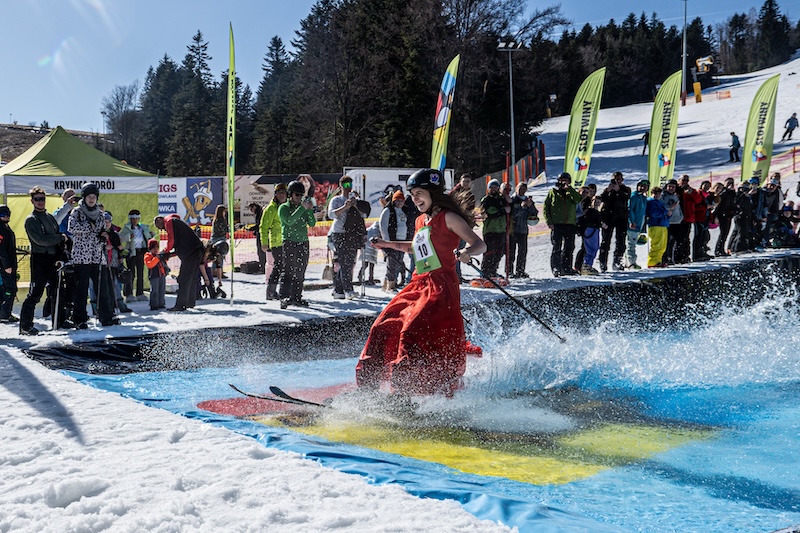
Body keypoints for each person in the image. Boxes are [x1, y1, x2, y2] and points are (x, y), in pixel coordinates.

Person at [355, 168, 486, 396]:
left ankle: (406, 392)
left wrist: (467, 252)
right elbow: (414, 248)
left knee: (411, 330)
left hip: (440, 287)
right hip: (418, 284)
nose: (414, 199)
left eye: (419, 193)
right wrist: (386, 244)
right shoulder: (419, 220)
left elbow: (479, 244)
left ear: (433, 192)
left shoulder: (449, 217)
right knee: (383, 324)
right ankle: (369, 389)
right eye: (412, 194)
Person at [19, 187, 70, 335]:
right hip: (39, 259)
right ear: (32, 201)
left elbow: (55, 234)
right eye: (37, 199)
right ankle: (25, 325)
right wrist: (60, 237)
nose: (40, 202)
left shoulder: (49, 217)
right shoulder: (31, 219)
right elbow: (41, 240)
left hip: (53, 259)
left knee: (57, 291)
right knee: (35, 293)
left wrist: (61, 241)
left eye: (42, 198)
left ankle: (58, 321)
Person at [68, 183, 117, 329]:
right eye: (89, 196)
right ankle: (79, 318)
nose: (91, 199)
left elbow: (102, 230)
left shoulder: (100, 214)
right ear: (84, 197)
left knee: (102, 287)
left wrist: (103, 236)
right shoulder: (77, 212)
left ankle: (106, 316)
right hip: (81, 256)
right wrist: (90, 228)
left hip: (96, 255)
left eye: (94, 197)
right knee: (81, 289)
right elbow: (72, 228)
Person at [153, 213, 204, 311]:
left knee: (183, 279)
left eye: (159, 226)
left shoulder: (169, 222)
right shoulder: (176, 222)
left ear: (160, 220)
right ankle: (190, 302)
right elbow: (179, 246)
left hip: (191, 253)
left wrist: (165, 251)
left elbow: (171, 240)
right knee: (191, 278)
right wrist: (168, 253)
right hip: (197, 250)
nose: (161, 230)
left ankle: (180, 305)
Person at [278, 180, 316, 309]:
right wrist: (302, 209)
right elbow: (289, 221)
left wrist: (310, 210)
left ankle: (296, 296)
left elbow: (311, 223)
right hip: (289, 242)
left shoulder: (302, 208)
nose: (299, 198)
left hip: (303, 242)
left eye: (301, 195)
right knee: (288, 270)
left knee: (300, 270)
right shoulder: (283, 208)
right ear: (290, 195)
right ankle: (284, 297)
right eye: (297, 195)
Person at [328, 176, 366, 300]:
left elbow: (363, 215)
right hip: (339, 233)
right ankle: (348, 289)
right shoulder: (336, 200)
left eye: (349, 184)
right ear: (340, 187)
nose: (347, 187)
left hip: (352, 233)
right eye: (345, 185)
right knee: (345, 262)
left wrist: (355, 206)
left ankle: (338, 290)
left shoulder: (355, 199)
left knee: (350, 261)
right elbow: (331, 214)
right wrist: (345, 207)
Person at [543, 172, 582, 277]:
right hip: (557, 224)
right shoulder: (553, 192)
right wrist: (549, 221)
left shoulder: (571, 192)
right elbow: (546, 208)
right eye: (562, 180)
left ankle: (567, 267)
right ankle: (556, 267)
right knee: (557, 246)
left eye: (566, 180)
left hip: (570, 224)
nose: (564, 182)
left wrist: (570, 189)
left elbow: (578, 199)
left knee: (569, 247)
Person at [119, 209, 154, 303]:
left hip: (141, 252)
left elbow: (148, 238)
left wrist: (151, 235)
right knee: (131, 274)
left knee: (140, 273)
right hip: (131, 253)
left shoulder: (143, 227)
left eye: (136, 219)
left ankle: (140, 293)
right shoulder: (127, 228)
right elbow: (120, 238)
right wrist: (128, 237)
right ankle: (129, 294)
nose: (135, 221)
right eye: (133, 219)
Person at [598, 172, 631, 272]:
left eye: (618, 180)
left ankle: (618, 260)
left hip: (621, 218)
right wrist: (608, 190)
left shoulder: (626, 189)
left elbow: (626, 197)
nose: (616, 181)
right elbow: (600, 199)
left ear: (622, 180)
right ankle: (602, 261)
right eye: (614, 180)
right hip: (608, 218)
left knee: (620, 241)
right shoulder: (608, 190)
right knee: (605, 241)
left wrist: (618, 190)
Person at [379, 189, 410, 293]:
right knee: (392, 263)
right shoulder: (388, 210)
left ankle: (386, 283)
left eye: (402, 201)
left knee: (398, 262)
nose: (400, 203)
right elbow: (383, 227)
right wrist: (387, 242)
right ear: (393, 201)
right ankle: (391, 285)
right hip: (392, 241)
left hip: (402, 241)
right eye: (398, 201)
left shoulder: (403, 211)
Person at [260, 183, 287, 300]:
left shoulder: (287, 206)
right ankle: (270, 291)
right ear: (276, 194)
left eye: (284, 193)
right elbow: (263, 227)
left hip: (287, 241)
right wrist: (264, 242)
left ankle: (282, 291)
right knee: (278, 266)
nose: (282, 195)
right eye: (280, 193)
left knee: (284, 268)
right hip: (276, 243)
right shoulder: (271, 208)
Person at [479, 179, 509, 279]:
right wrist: (503, 211)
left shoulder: (501, 199)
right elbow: (489, 214)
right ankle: (485, 271)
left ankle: (493, 270)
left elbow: (510, 206)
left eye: (495, 187)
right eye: (491, 188)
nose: (493, 189)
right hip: (490, 229)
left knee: (499, 252)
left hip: (501, 229)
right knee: (489, 252)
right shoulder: (486, 200)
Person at [449, 173, 476, 283]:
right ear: (460, 181)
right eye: (464, 181)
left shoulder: (470, 195)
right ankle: (453, 275)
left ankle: (458, 275)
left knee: (461, 250)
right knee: (454, 250)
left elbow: (471, 211)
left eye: (467, 182)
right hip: (455, 224)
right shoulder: (454, 193)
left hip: (465, 225)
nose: (465, 183)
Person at [102, 212, 131, 314]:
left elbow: (119, 247)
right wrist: (104, 247)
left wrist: (120, 254)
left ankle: (119, 303)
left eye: (108, 222)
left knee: (115, 283)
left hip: (113, 262)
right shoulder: (99, 234)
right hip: (103, 262)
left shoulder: (114, 234)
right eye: (105, 222)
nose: (107, 224)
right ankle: (105, 305)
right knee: (104, 284)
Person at [509, 182, 538, 278]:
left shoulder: (528, 200)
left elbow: (534, 214)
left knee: (522, 252)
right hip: (512, 230)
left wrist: (530, 206)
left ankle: (520, 271)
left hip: (523, 230)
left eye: (524, 189)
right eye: (520, 188)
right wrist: (522, 207)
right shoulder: (512, 200)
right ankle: (509, 271)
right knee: (511, 252)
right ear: (516, 188)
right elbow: (511, 214)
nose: (522, 190)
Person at [0, 204, 18, 323]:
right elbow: (1, 249)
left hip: (9, 264)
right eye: (2, 214)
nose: (6, 216)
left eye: (7, 214)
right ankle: (5, 314)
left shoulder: (5, 227)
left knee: (9, 289)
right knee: (9, 289)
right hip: (4, 266)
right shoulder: (1, 228)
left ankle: (6, 313)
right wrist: (6, 265)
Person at [626, 180, 649, 269]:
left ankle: (629, 262)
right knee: (631, 244)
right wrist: (631, 221)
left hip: (639, 224)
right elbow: (630, 209)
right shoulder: (634, 196)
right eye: (641, 186)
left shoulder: (643, 198)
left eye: (645, 186)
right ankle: (631, 262)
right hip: (633, 224)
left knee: (633, 243)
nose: (643, 188)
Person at [645, 187, 670, 267]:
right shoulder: (651, 202)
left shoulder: (658, 202)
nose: (658, 195)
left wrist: (667, 214)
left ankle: (658, 260)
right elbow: (654, 213)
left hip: (662, 224)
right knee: (656, 244)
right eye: (656, 193)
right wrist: (665, 212)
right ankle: (652, 262)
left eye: (659, 194)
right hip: (655, 225)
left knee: (662, 246)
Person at [661, 179, 684, 264]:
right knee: (668, 241)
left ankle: (675, 258)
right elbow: (662, 207)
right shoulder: (663, 196)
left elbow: (678, 207)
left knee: (678, 241)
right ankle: (666, 258)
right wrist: (669, 208)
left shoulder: (676, 195)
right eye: (669, 186)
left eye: (673, 187)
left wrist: (681, 216)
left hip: (677, 221)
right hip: (668, 222)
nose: (671, 188)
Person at [580, 196, 604, 275]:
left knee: (595, 247)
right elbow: (592, 220)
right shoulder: (590, 211)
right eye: (595, 202)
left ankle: (589, 265)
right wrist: (600, 224)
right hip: (590, 230)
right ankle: (586, 265)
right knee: (591, 248)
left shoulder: (597, 211)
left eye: (598, 202)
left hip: (594, 230)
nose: (596, 203)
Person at [712, 178, 736, 257]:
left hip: (728, 215)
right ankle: (718, 250)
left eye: (731, 183)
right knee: (723, 233)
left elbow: (733, 202)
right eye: (728, 183)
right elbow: (719, 204)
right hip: (721, 214)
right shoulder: (723, 191)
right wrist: (715, 216)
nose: (730, 184)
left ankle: (721, 249)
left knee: (726, 233)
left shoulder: (732, 192)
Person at [143, 238, 169, 311]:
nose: (156, 249)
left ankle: (161, 303)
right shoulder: (148, 256)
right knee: (154, 290)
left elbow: (165, 262)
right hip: (154, 275)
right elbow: (150, 265)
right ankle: (154, 304)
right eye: (154, 248)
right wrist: (157, 258)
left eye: (157, 247)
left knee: (162, 290)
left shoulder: (159, 255)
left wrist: (165, 256)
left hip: (162, 274)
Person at [209, 204, 229, 290]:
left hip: (214, 238)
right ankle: (217, 272)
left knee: (215, 256)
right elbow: (224, 230)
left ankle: (216, 271)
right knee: (220, 257)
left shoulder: (216, 220)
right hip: (220, 239)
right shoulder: (221, 220)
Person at [248, 202, 266, 274]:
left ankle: (263, 267)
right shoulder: (259, 213)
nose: (251, 211)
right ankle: (263, 267)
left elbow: (260, 225)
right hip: (260, 234)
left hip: (262, 235)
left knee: (261, 252)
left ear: (254, 207)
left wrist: (251, 229)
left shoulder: (260, 213)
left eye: (251, 209)